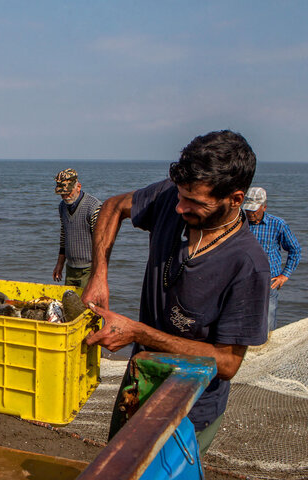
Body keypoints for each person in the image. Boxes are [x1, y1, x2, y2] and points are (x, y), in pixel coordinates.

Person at [81, 130, 270, 455]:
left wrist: (138, 332)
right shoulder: (171, 197)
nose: (179, 208)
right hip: (138, 383)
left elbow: (227, 363)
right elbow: (112, 208)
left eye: (194, 202)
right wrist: (99, 274)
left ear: (236, 199)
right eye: (179, 195)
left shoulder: (248, 263)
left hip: (189, 408)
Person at [243, 187, 301, 332]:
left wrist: (284, 275)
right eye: (248, 210)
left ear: (264, 207)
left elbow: (295, 250)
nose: (250, 213)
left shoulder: (278, 224)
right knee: (242, 321)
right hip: (242, 280)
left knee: (267, 322)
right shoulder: (239, 224)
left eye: (254, 210)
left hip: (269, 281)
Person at [52, 168, 102, 288]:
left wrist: (98, 273)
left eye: (68, 193)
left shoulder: (93, 207)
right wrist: (60, 264)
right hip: (71, 268)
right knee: (68, 303)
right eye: (61, 194)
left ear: (78, 187)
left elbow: (100, 243)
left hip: (89, 269)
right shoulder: (62, 207)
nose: (65, 197)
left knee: (86, 304)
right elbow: (64, 236)